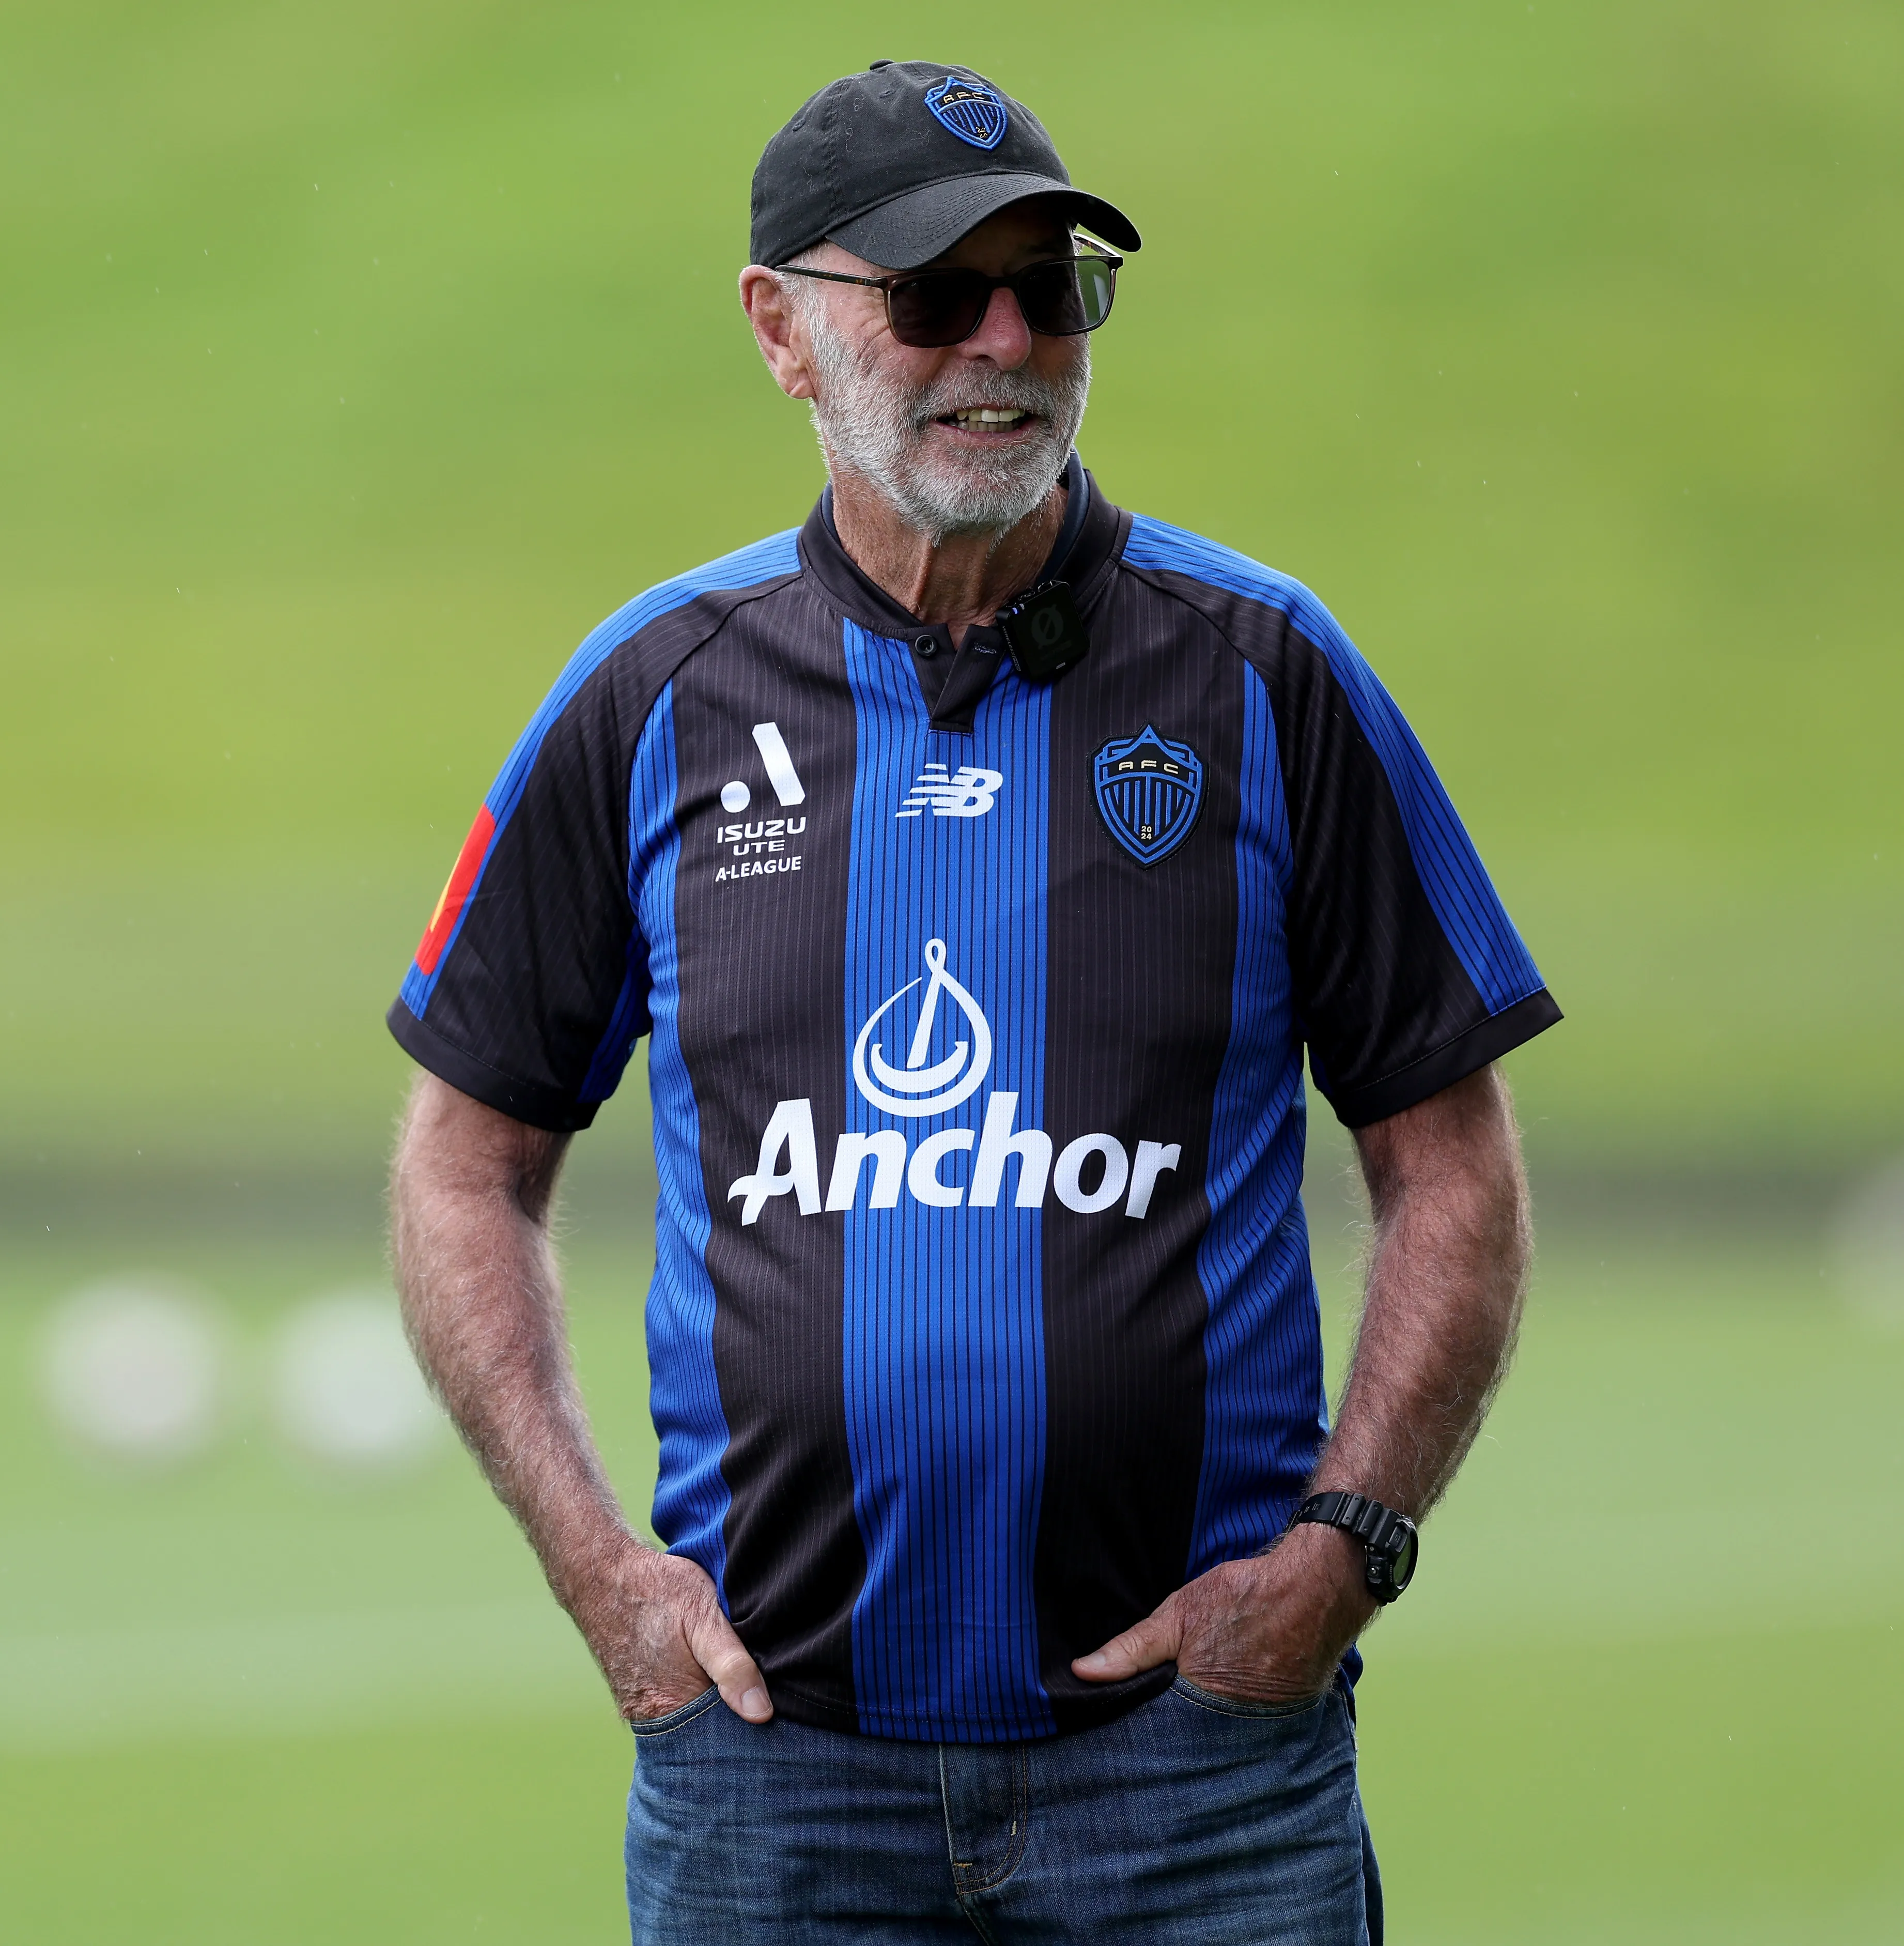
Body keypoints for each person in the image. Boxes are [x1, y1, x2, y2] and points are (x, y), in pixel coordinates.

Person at [388, 58, 1559, 1945]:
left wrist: (1344, 1550)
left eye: (1052, 289)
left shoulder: (1265, 673)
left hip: (1202, 1776)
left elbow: (1453, 1167)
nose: (1005, 344)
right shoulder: (654, 693)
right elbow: (464, 1163)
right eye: (938, 295)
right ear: (781, 328)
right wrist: (604, 1575)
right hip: (772, 1780)